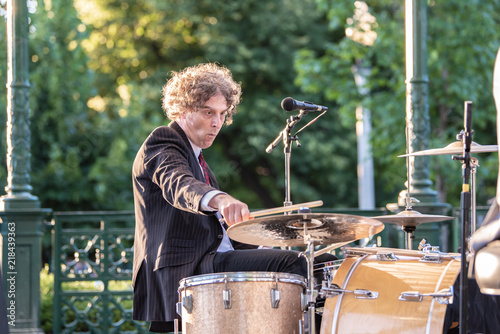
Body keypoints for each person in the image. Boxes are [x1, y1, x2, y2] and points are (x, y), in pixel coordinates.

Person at [131, 63, 312, 333]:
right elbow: (178, 184)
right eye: (208, 112)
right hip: (186, 268)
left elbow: (219, 233)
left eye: (222, 114)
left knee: (316, 262)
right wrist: (221, 199)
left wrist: (263, 244)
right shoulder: (163, 141)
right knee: (294, 264)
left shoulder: (199, 160)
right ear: (183, 109)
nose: (217, 122)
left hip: (208, 261)